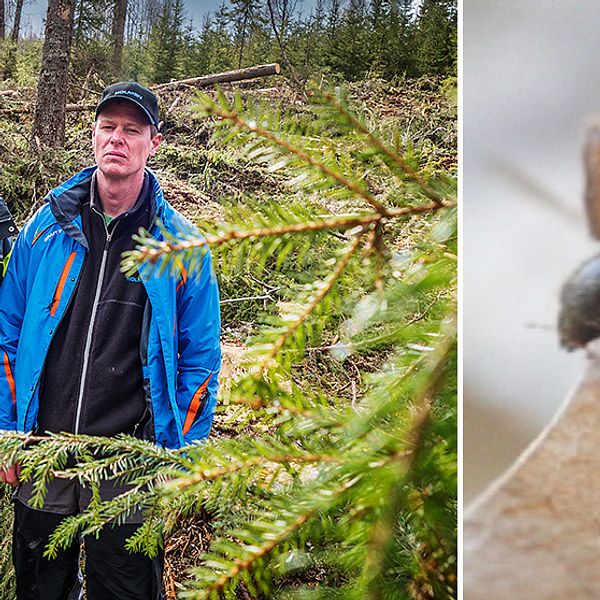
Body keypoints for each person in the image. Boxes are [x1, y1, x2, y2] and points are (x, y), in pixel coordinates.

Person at [0, 81, 221, 599]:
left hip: (129, 461)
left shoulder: (182, 247)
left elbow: (201, 361)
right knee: (40, 589)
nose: (116, 139)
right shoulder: (46, 229)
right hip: (41, 450)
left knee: (124, 590)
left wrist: (180, 456)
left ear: (154, 142)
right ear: (93, 135)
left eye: (131, 129)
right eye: (107, 127)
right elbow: (6, 332)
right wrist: (7, 431)